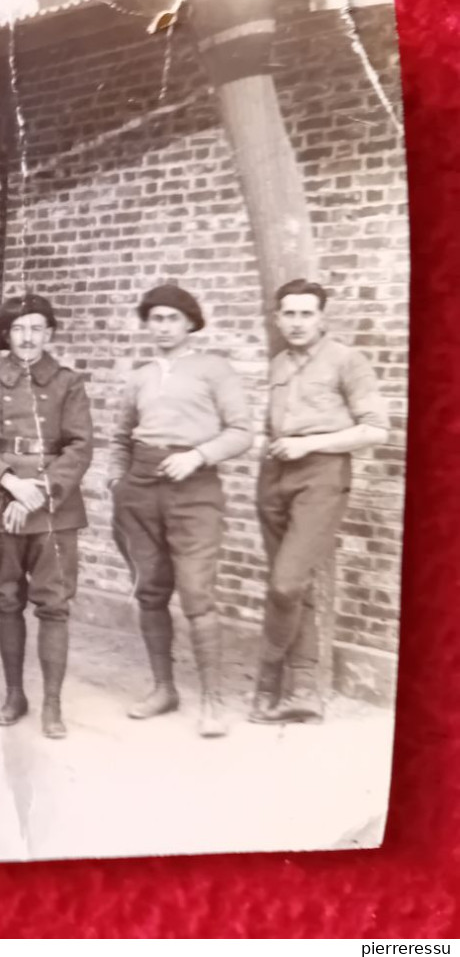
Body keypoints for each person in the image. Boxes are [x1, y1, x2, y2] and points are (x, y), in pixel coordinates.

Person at [106, 283, 253, 738]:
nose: (164, 327)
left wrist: (198, 455)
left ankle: (213, 701)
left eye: (172, 318)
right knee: (150, 590)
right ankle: (163, 688)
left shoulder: (214, 369)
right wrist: (117, 481)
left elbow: (242, 431)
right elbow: (120, 436)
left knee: (195, 592)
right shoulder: (141, 376)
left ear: (190, 323)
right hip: (141, 487)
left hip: (193, 486)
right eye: (156, 318)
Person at [0, 294, 93, 739]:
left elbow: (79, 446)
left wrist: (42, 491)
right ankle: (15, 694)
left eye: (36, 328)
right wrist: (11, 484)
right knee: (7, 600)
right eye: (18, 329)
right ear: (6, 336)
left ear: (49, 334)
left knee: (54, 606)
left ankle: (52, 703)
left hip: (54, 508)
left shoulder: (69, 383)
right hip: (0, 505)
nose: (27, 337)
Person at [250, 279, 388, 725]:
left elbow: (375, 429)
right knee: (291, 582)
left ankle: (268, 677)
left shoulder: (348, 360)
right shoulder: (278, 364)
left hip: (321, 475)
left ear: (322, 316)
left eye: (306, 313)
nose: (296, 322)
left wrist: (310, 446)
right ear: (277, 318)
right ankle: (305, 687)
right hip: (274, 475)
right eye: (288, 313)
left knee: (286, 583)